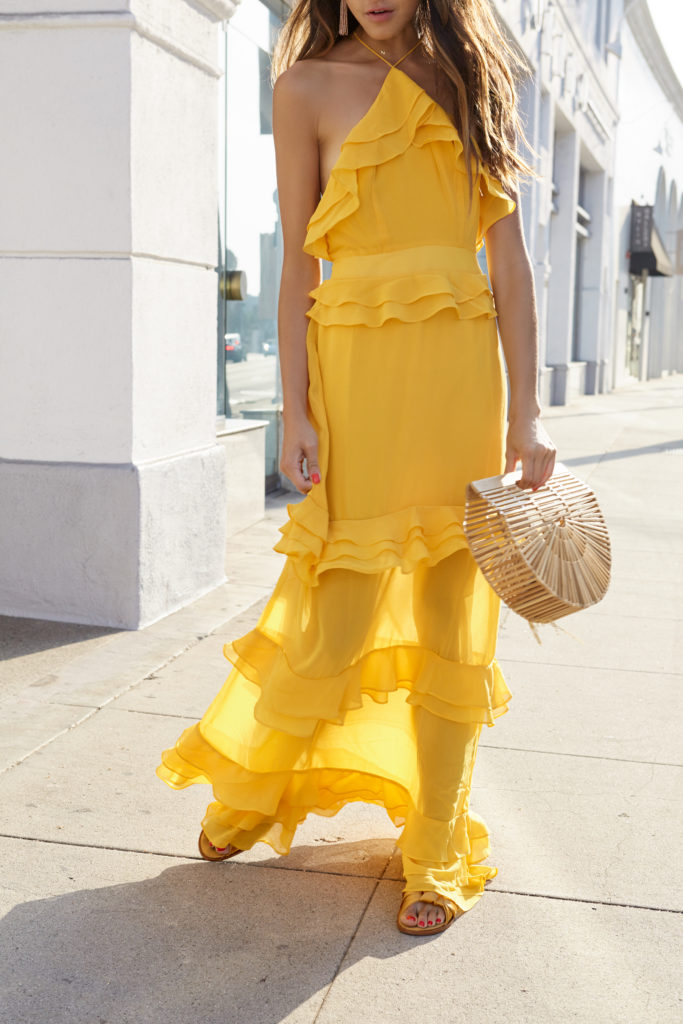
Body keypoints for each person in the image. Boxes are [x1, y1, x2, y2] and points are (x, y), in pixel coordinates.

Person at [157, 0, 556, 937]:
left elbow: (511, 263)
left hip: (460, 377)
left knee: (454, 617)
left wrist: (528, 411)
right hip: (353, 377)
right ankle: (251, 796)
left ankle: (435, 850)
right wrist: (295, 408)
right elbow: (299, 263)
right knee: (332, 613)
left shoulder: (471, 81)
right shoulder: (301, 87)